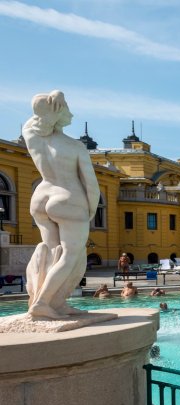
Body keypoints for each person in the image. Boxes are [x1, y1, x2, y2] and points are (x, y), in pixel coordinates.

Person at [23, 90, 101, 319]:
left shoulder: (32, 136)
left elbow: (34, 118)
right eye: (66, 109)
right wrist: (89, 211)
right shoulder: (75, 146)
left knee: (51, 252)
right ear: (57, 113)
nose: (72, 114)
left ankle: (56, 304)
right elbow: (91, 184)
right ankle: (43, 302)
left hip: (41, 196)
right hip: (68, 198)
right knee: (70, 256)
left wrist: (51, 99)